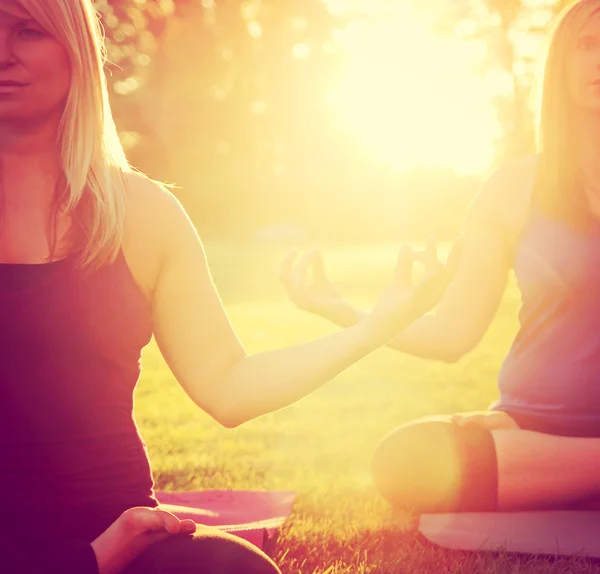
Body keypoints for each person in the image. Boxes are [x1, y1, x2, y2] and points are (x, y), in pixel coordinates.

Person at [0, 0, 459, 572]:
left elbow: (228, 385)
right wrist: (88, 562)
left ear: (75, 49)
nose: (3, 53)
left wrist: (376, 325)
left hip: (124, 534)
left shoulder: (141, 213)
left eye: (26, 31)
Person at [282, 0, 600, 516]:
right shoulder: (511, 189)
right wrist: (341, 309)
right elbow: (453, 335)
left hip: (535, 451)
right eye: (587, 44)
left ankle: (567, 480)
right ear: (560, 63)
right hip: (530, 436)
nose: (599, 58)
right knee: (407, 460)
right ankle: (577, 476)